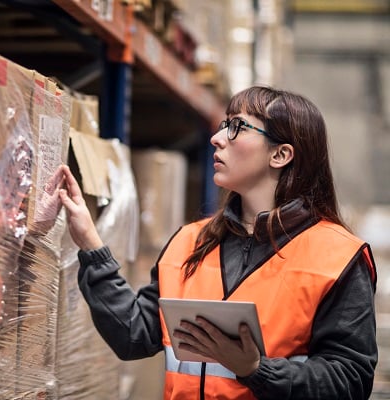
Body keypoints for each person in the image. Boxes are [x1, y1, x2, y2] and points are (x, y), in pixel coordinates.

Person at [57, 85, 378, 400]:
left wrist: (255, 369)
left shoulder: (337, 257)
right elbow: (132, 335)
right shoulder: (189, 242)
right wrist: (90, 243)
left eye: (237, 126)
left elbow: (349, 382)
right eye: (225, 124)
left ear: (280, 154)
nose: (217, 137)